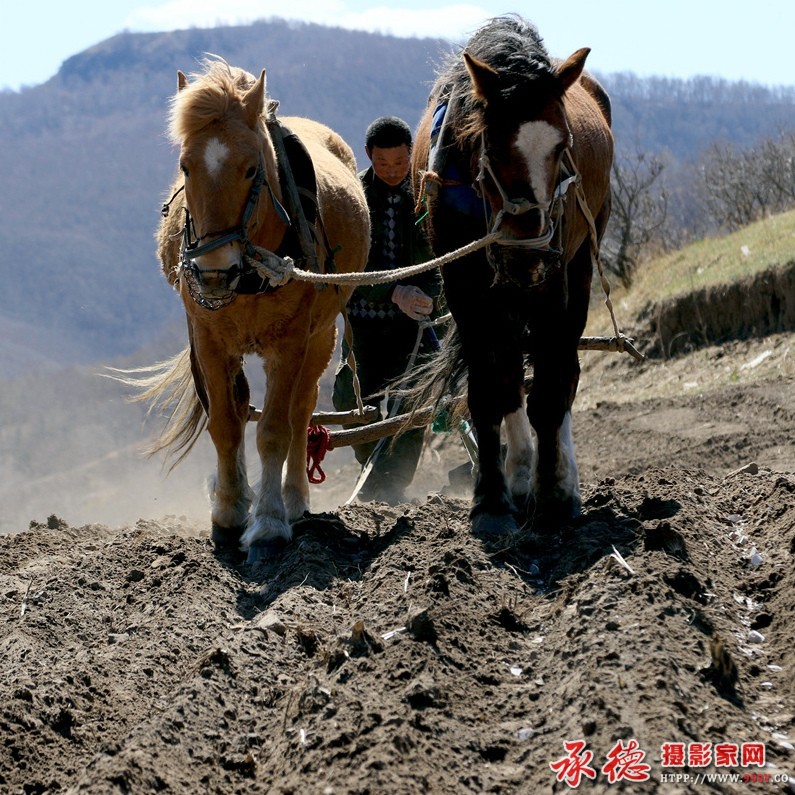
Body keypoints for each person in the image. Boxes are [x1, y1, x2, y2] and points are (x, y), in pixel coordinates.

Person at [333, 116, 442, 505]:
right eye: (383, 164)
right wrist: (392, 291)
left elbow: (446, 258)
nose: (393, 172)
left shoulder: (429, 193)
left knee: (411, 401)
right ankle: (375, 471)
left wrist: (431, 297)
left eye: (400, 163)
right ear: (368, 157)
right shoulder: (352, 199)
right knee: (351, 400)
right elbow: (346, 267)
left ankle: (390, 485)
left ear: (411, 155)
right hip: (363, 325)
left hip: (417, 329)